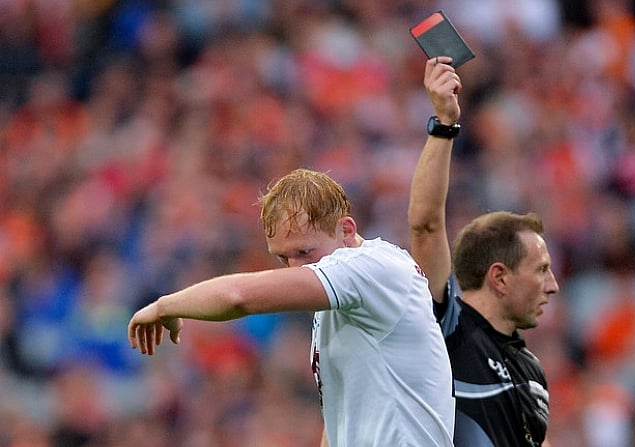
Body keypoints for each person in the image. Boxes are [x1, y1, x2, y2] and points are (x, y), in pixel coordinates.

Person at [128, 168, 455, 447]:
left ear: (346, 230)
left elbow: (239, 297)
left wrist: (163, 306)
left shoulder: (369, 268)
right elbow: (341, 413)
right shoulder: (343, 296)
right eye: (284, 257)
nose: (295, 268)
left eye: (304, 252)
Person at [409, 56, 558, 446]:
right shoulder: (447, 328)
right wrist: (443, 125)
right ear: (499, 277)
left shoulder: (531, 369)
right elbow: (425, 226)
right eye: (541, 270)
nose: (553, 285)